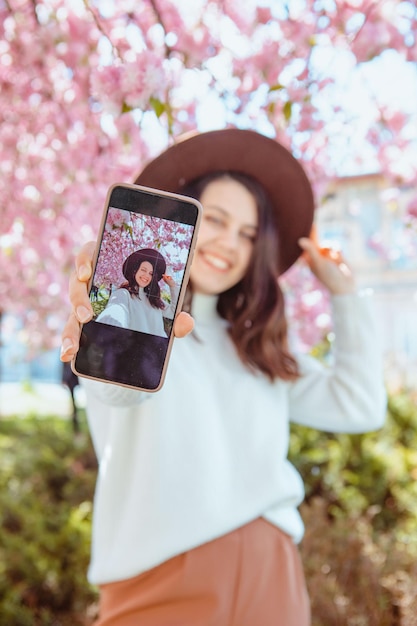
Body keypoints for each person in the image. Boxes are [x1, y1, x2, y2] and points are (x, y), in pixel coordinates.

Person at [60, 128, 386, 626]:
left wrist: (344, 295)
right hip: (155, 581)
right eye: (216, 220)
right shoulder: (132, 317)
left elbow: (361, 406)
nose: (230, 244)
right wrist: (109, 314)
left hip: (270, 576)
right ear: (183, 219)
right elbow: (112, 391)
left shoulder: (257, 346)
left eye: (249, 234)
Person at [95, 248, 178, 337]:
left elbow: (174, 313)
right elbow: (116, 309)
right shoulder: (124, 294)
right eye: (143, 270)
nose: (146, 275)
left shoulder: (154, 301)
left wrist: (172, 286)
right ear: (135, 271)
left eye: (151, 273)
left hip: (158, 347)